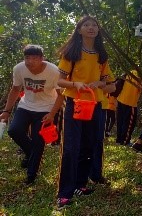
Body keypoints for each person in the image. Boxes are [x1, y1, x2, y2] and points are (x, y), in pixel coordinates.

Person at [56, 15, 114, 209]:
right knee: (71, 148)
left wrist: (100, 84)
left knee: (89, 146)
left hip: (95, 106)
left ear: (98, 30)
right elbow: (59, 81)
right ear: (79, 30)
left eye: (94, 25)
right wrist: (75, 84)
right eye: (86, 25)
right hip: (75, 103)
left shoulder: (101, 55)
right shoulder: (71, 53)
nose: (91, 28)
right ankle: (64, 193)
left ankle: (80, 185)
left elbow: (111, 87)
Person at [0, 45, 64, 185]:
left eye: (35, 58)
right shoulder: (19, 69)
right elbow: (16, 89)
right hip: (26, 105)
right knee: (14, 130)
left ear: (42, 59)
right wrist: (6, 111)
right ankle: (31, 154)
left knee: (38, 141)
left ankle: (31, 175)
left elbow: (61, 95)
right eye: (27, 58)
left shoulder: (53, 71)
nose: (30, 61)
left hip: (46, 108)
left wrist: (52, 114)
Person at [116, 70, 141, 145]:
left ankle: (119, 140)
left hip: (120, 99)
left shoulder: (130, 71)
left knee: (120, 121)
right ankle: (125, 141)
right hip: (131, 102)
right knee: (129, 123)